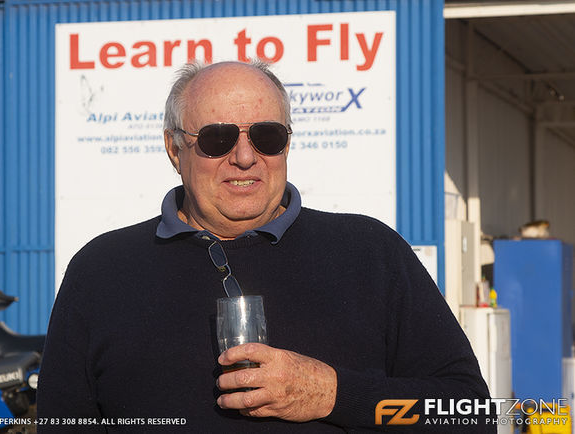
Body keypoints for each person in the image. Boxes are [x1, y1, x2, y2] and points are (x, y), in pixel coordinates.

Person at [38, 60, 494, 433]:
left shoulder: (372, 253)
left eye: (267, 136)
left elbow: (471, 414)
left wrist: (333, 395)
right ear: (175, 150)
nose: (244, 156)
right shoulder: (100, 271)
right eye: (218, 138)